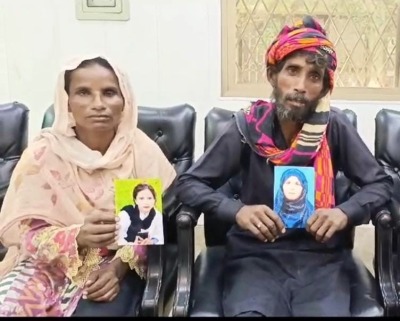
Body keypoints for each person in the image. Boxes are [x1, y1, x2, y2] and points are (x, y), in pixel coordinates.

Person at [176, 16, 393, 317]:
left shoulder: (334, 126)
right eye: (292, 71)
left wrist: (344, 213)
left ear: (325, 86)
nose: (301, 87)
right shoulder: (246, 127)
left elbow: (379, 184)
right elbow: (188, 183)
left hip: (321, 258)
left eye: (314, 76)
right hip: (255, 256)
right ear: (272, 74)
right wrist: (237, 211)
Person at [0, 55, 176, 316]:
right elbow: (28, 234)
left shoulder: (139, 152)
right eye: (83, 92)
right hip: (44, 263)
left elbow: (144, 230)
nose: (98, 104)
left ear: (124, 100)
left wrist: (117, 270)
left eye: (109, 93)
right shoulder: (43, 155)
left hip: (111, 261)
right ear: (67, 101)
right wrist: (76, 236)